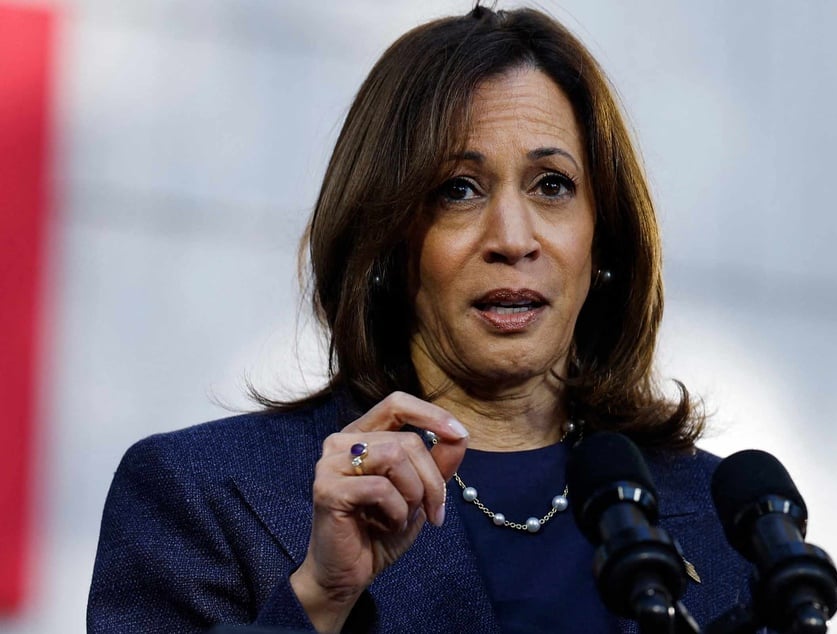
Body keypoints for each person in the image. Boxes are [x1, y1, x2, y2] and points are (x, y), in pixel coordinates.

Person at [88, 5, 751, 633]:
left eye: (552, 186)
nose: (512, 238)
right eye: (457, 190)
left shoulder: (727, 518)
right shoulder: (202, 493)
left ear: (601, 240)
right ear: (384, 241)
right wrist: (320, 595)